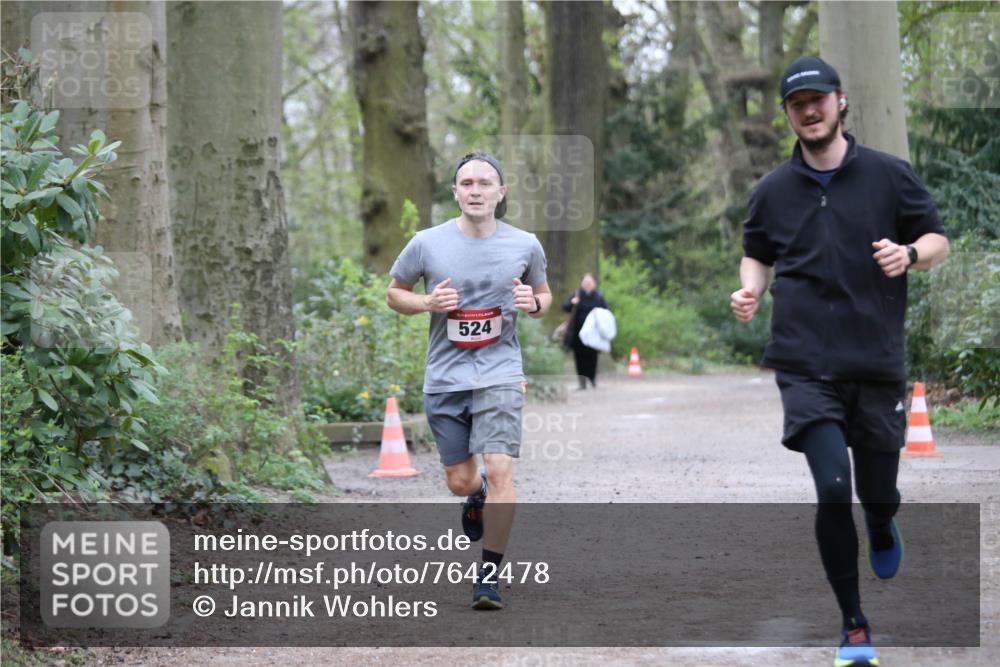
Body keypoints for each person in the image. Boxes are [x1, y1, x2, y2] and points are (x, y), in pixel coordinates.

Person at [730, 56, 949, 667]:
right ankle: (854, 626)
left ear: (840, 101)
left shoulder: (888, 175)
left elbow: (937, 238)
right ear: (788, 114)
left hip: (875, 361)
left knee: (877, 493)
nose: (809, 110)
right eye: (797, 104)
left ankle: (882, 520)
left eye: (819, 99)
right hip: (803, 362)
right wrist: (750, 288)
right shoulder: (772, 191)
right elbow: (756, 251)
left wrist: (909, 253)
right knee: (832, 489)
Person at [387, 151, 551, 610]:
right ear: (455, 192)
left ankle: (488, 577)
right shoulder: (426, 243)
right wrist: (426, 304)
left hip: (499, 371)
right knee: (460, 481)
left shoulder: (525, 244)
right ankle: (474, 494)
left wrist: (532, 303)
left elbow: (543, 295)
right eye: (467, 183)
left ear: (501, 193)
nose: (475, 190)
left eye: (485, 183)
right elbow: (394, 293)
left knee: (501, 469)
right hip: (445, 375)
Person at [561, 273, 609, 389]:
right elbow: (565, 307)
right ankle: (582, 381)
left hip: (594, 334)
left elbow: (606, 312)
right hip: (578, 333)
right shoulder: (577, 295)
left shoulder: (599, 297)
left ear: (594, 283)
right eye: (585, 282)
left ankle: (592, 378)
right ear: (582, 283)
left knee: (592, 356)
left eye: (590, 282)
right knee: (579, 357)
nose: (587, 284)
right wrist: (572, 302)